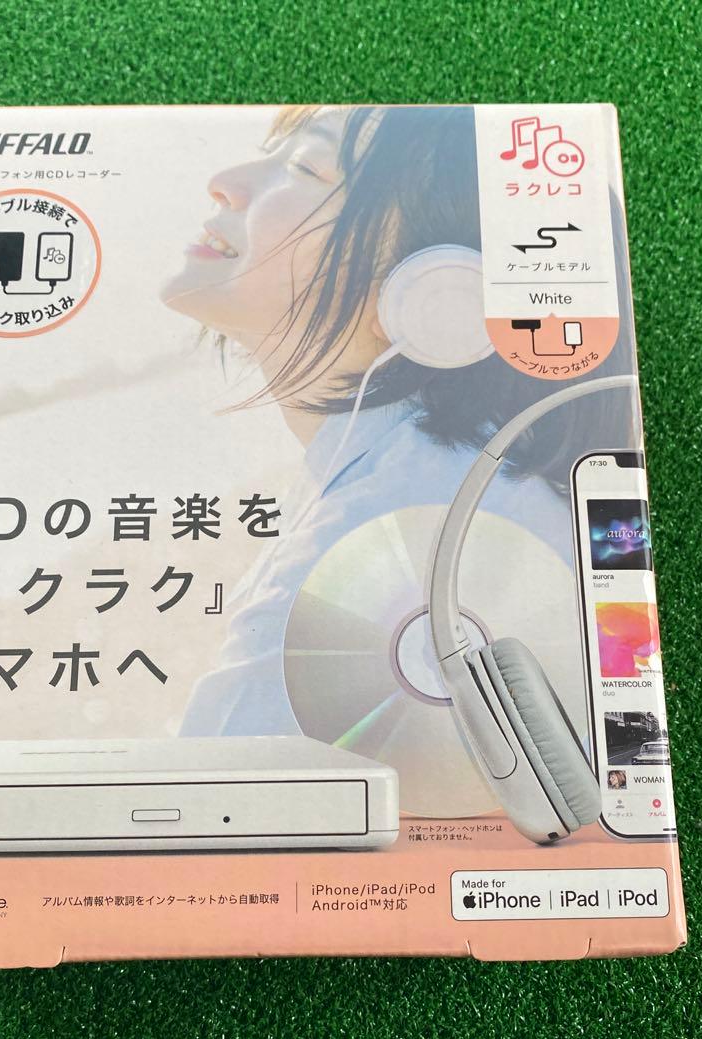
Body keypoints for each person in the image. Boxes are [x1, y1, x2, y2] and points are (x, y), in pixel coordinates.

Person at [162, 105, 636, 739]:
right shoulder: (445, 481)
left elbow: (227, 790)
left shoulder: (400, 537)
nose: (225, 181)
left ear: (435, 296)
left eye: (305, 166)